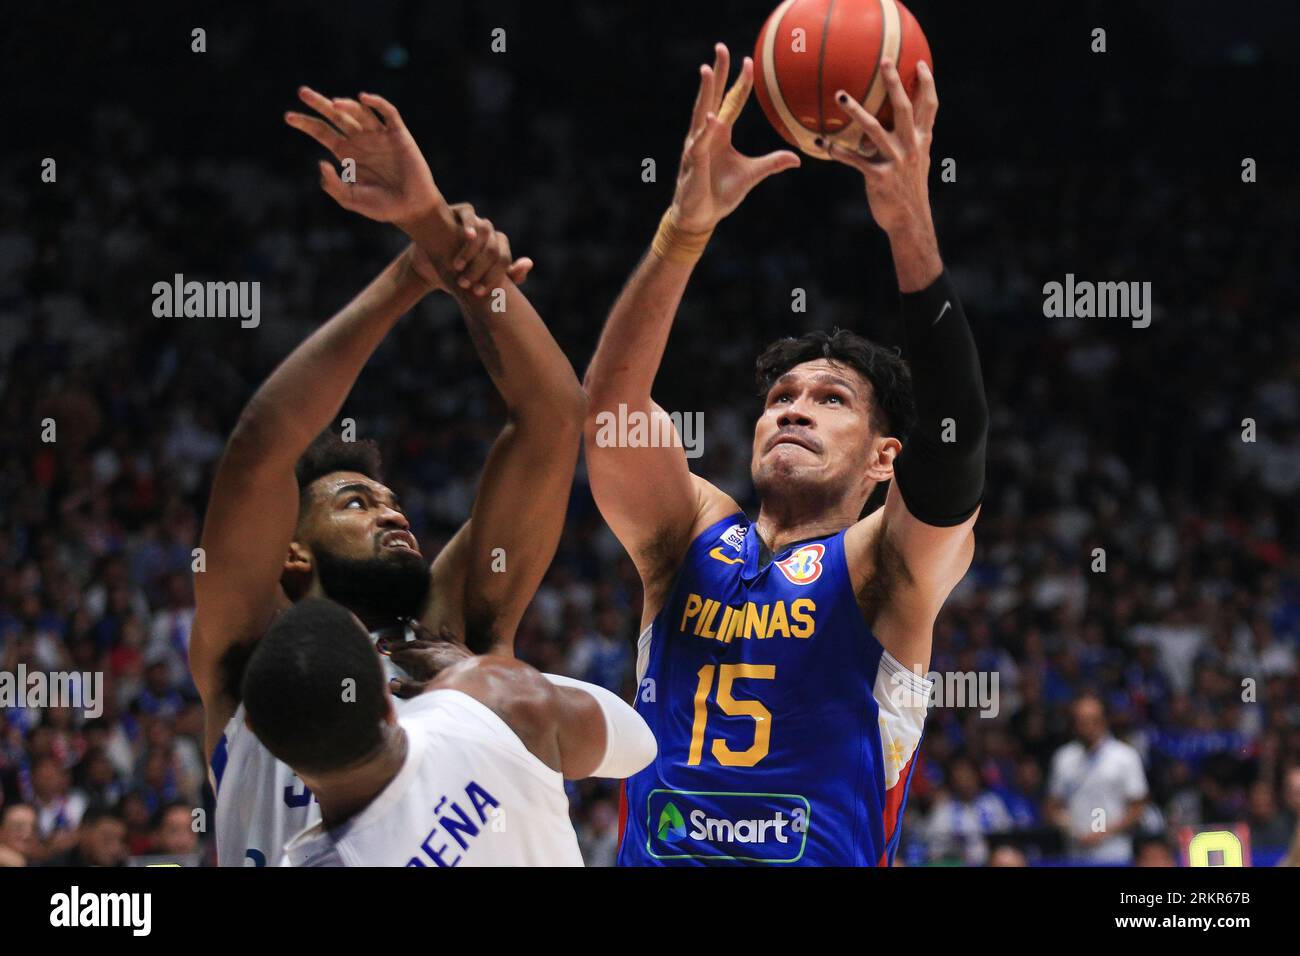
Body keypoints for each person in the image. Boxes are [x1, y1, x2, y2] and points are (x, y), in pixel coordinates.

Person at [583, 44, 986, 865]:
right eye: (779, 399)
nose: (793, 409)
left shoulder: (885, 571)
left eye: (830, 399)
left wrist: (909, 221)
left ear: (884, 459)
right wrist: (684, 230)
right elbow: (610, 415)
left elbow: (955, 445)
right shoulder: (689, 535)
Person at [191, 88, 587, 866]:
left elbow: (555, 419)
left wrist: (435, 226)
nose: (393, 512)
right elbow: (260, 446)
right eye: (355, 500)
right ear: (292, 555)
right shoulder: (253, 658)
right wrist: (410, 273)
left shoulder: (454, 631)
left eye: (391, 499)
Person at [240, 598, 654, 866]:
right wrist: (483, 672)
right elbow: (638, 745)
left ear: (263, 738)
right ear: (388, 698)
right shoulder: (490, 695)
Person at [1046, 694, 1149, 863]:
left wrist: (1104, 833)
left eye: (1091, 720)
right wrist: (1068, 827)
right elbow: (1052, 806)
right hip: (1075, 851)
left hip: (1115, 852)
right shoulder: (1064, 758)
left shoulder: (1125, 756)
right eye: (1080, 721)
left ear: (1103, 721)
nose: (1085, 726)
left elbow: (1138, 807)